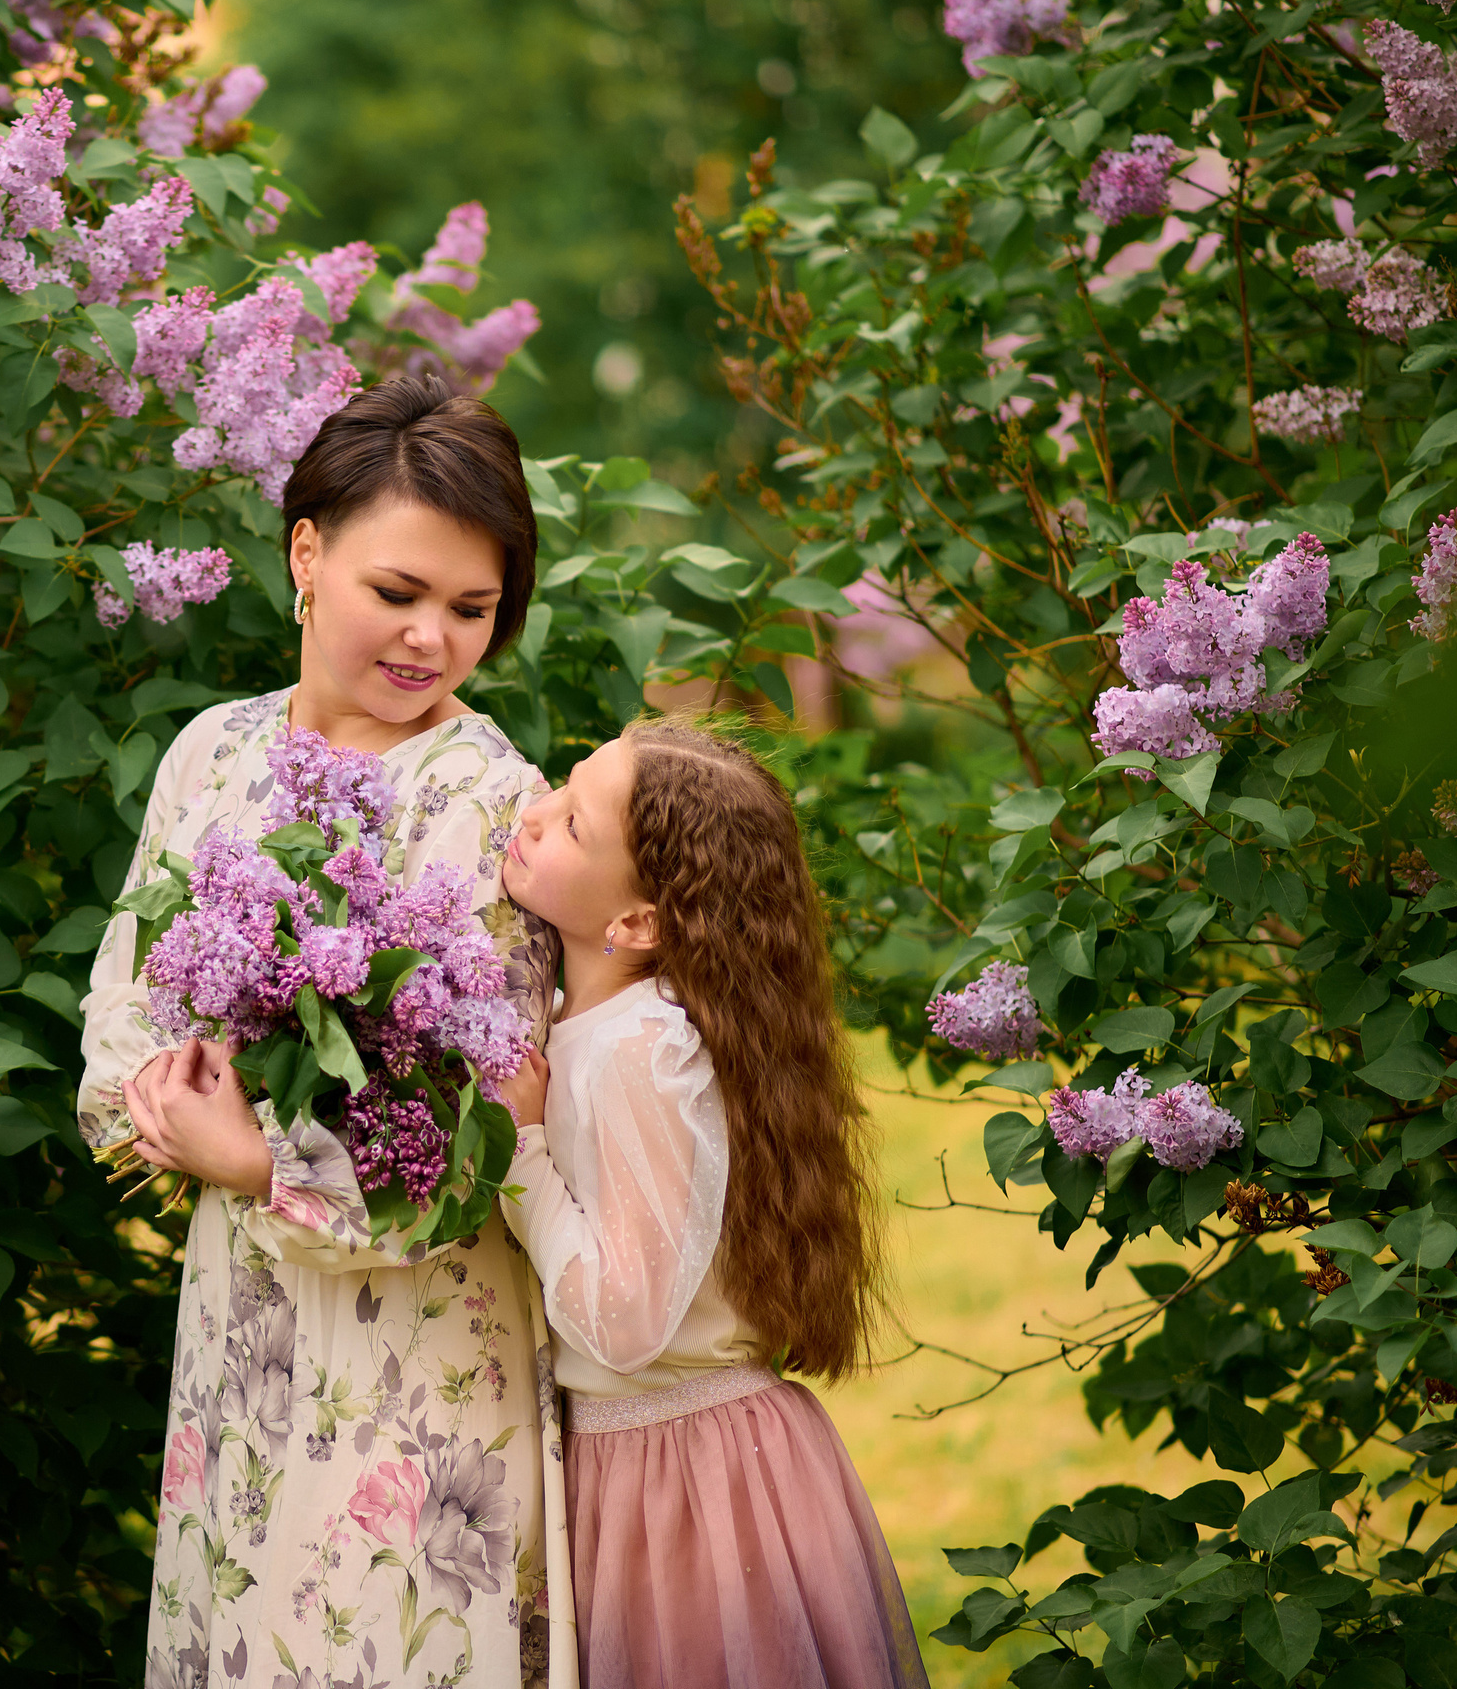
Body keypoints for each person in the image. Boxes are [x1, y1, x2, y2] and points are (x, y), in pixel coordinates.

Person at [78, 375, 574, 1689]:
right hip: (239, 1337)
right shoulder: (211, 755)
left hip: (417, 1360)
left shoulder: (492, 803)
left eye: (472, 611)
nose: (431, 641)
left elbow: (500, 1126)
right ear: (306, 551)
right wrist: (165, 1104)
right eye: (399, 594)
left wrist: (256, 1161)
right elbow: (125, 1012)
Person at [494, 719, 928, 1689]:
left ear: (638, 924)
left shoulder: (641, 1054)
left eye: (569, 824)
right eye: (558, 794)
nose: (530, 817)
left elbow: (623, 1321)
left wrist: (518, 1152)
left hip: (687, 1487)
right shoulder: (598, 1032)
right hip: (665, 1460)